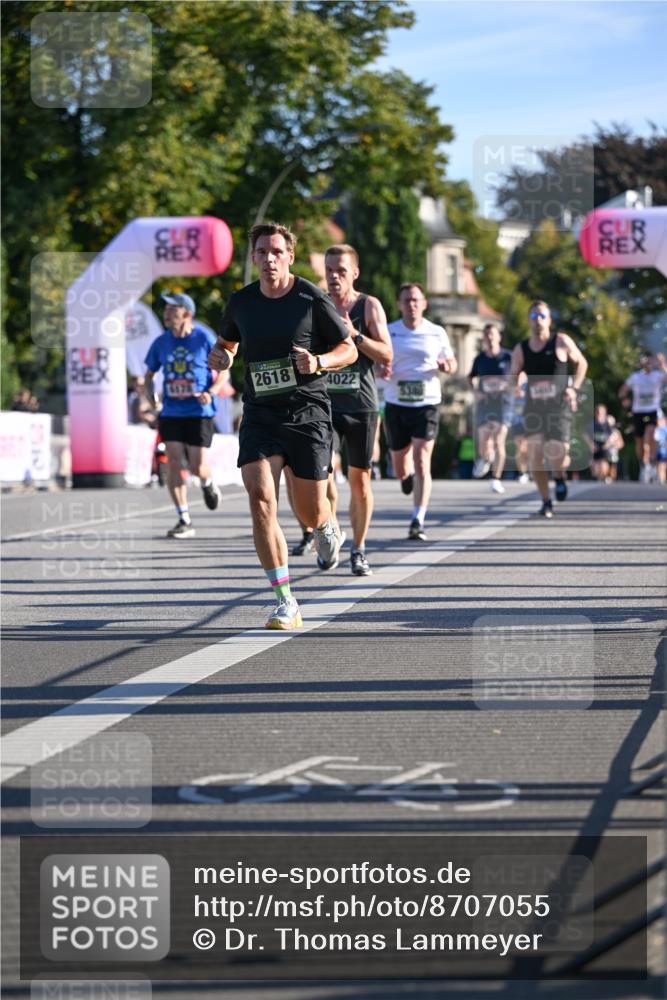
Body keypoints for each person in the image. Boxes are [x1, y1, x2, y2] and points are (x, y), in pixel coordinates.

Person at [208, 221, 357, 630]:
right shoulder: (241, 302)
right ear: (253, 257)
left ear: (289, 256)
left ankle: (326, 525)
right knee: (261, 501)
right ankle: (285, 601)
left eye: (277, 251)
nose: (269, 258)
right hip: (260, 414)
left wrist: (320, 361)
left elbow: (348, 348)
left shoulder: (310, 297)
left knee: (309, 511)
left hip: (307, 412)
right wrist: (220, 357)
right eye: (262, 252)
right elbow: (225, 345)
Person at [321, 244, 393, 575]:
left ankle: (359, 549)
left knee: (360, 481)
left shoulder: (369, 305)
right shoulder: (316, 303)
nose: (334, 276)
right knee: (320, 476)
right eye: (329, 270)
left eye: (341, 270)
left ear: (355, 273)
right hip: (323, 404)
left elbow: (386, 354)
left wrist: (355, 335)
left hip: (361, 406)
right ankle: (331, 529)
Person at [145, 292, 224, 538]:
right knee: (175, 463)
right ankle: (184, 518)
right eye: (166, 308)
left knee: (198, 466)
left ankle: (207, 483)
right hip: (171, 412)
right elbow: (149, 375)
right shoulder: (161, 342)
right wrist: (152, 397)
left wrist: (211, 391)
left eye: (172, 309)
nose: (167, 313)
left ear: (187, 313)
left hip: (199, 411)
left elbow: (224, 371)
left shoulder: (204, 339)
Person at [384, 283, 457, 540]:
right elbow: (378, 360)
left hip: (426, 402)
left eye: (416, 300)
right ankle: (407, 477)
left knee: (423, 458)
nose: (411, 304)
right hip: (396, 403)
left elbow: (452, 362)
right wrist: (383, 369)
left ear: (424, 303)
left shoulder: (436, 332)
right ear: (399, 304)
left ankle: (418, 518)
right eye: (406, 300)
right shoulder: (389, 331)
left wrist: (446, 365)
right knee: (400, 466)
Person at [509, 300, 588, 518]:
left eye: (542, 316)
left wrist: (573, 388)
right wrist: (515, 385)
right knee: (535, 453)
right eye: (534, 316)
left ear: (549, 319)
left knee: (557, 452)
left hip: (559, 406)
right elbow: (514, 375)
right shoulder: (521, 349)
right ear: (529, 320)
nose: (538, 320)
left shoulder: (561, 341)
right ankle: (546, 501)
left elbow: (581, 363)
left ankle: (560, 476)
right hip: (534, 407)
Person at [468, 324, 513, 493]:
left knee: (499, 440)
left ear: (498, 337)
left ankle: (496, 478)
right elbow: (470, 378)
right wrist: (475, 392)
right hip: (485, 405)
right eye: (487, 335)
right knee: (483, 443)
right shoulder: (479, 359)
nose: (490, 337)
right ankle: (486, 458)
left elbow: (522, 374)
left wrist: (512, 385)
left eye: (492, 334)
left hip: (503, 404)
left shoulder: (508, 357)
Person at [618, 352, 667, 483]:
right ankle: (643, 464)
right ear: (643, 363)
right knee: (640, 441)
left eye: (651, 362)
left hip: (652, 410)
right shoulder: (636, 377)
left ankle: (652, 461)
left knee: (651, 433)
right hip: (638, 411)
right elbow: (623, 390)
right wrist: (625, 399)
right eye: (646, 361)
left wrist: (663, 364)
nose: (649, 364)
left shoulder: (658, 375)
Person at [591, 403, 615, 482]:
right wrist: (591, 444)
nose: (599, 413)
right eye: (597, 411)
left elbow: (612, 435)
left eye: (601, 412)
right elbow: (585, 435)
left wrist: (608, 444)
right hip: (595, 447)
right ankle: (598, 477)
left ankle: (603, 477)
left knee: (603, 463)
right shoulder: (592, 424)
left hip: (604, 446)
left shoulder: (606, 424)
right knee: (595, 465)